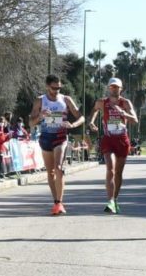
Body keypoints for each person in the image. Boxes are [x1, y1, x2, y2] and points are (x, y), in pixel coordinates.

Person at [31, 75, 84, 216]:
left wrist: (72, 124)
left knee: (58, 168)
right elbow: (31, 123)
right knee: (51, 172)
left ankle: (60, 202)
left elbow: (81, 117)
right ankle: (56, 202)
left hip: (60, 137)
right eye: (54, 88)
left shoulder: (66, 99)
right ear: (47, 86)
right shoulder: (40, 100)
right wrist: (40, 116)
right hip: (45, 137)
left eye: (59, 88)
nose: (57, 90)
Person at [88, 77, 138, 214]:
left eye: (116, 87)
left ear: (120, 89)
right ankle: (110, 201)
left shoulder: (125, 103)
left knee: (119, 173)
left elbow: (135, 119)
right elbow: (94, 111)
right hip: (108, 139)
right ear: (108, 88)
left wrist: (123, 113)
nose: (114, 89)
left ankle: (115, 200)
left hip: (122, 139)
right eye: (111, 87)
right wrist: (91, 122)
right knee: (110, 168)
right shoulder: (102, 102)